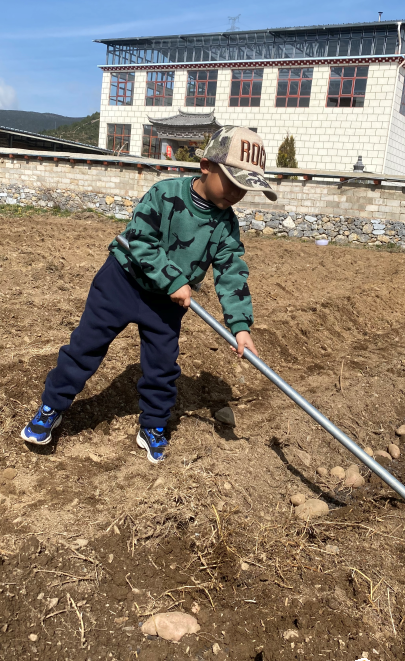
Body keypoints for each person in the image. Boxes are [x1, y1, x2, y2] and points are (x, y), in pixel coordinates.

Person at [21, 126, 277, 463]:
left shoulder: (226, 224)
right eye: (232, 182)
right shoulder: (165, 194)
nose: (237, 193)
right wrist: (174, 279)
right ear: (206, 166)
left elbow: (231, 271)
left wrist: (240, 327)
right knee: (85, 347)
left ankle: (153, 425)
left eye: (245, 188)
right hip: (122, 282)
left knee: (162, 366)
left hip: (167, 303)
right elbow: (140, 240)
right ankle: (51, 407)